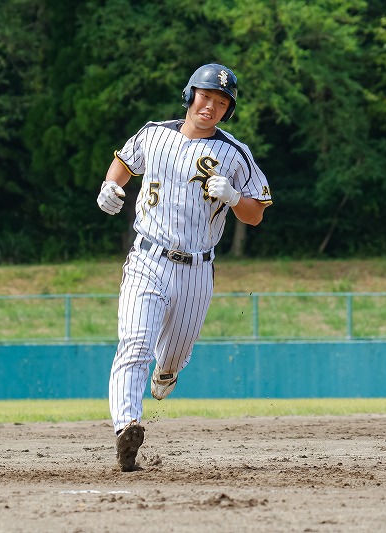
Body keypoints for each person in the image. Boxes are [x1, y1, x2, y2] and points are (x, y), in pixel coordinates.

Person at [96, 63, 272, 472]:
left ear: (228, 111)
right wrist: (110, 185)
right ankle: (126, 427)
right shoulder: (154, 134)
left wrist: (234, 198)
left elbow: (256, 214)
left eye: (221, 103)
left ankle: (168, 371)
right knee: (134, 344)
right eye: (205, 96)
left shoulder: (234, 153)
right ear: (190, 95)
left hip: (197, 269)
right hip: (147, 257)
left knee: (172, 357)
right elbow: (124, 162)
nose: (210, 107)